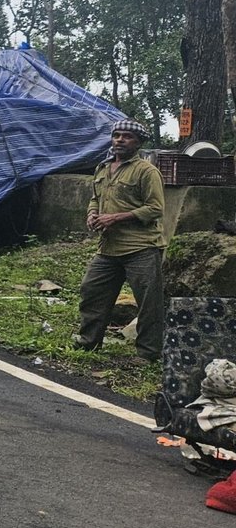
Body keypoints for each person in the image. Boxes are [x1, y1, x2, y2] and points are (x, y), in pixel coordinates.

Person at [76, 119, 167, 362]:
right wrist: (92, 215)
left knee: (148, 303)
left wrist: (115, 218)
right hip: (108, 248)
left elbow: (156, 208)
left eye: (126, 136)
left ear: (138, 143)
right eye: (116, 135)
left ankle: (148, 354)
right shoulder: (103, 168)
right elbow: (95, 198)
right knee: (92, 292)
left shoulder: (146, 171)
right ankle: (88, 342)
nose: (119, 140)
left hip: (141, 247)